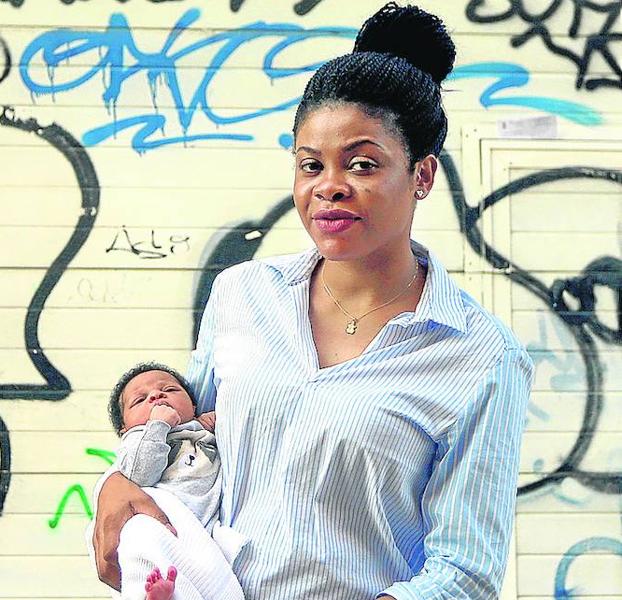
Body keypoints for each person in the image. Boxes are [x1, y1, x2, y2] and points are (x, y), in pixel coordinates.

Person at [92, 3, 534, 599]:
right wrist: (117, 486)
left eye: (362, 164)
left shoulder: (480, 356)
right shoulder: (242, 296)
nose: (329, 185)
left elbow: (465, 572)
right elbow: (189, 456)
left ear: (422, 175)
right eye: (310, 164)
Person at [95, 362, 245, 600]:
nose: (156, 395)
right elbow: (140, 476)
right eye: (140, 400)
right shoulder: (136, 440)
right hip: (163, 519)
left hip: (203, 526)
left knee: (204, 574)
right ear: (124, 428)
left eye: (170, 390)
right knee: (138, 539)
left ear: (193, 404)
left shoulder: (202, 430)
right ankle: (145, 594)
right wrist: (157, 426)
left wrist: (212, 422)